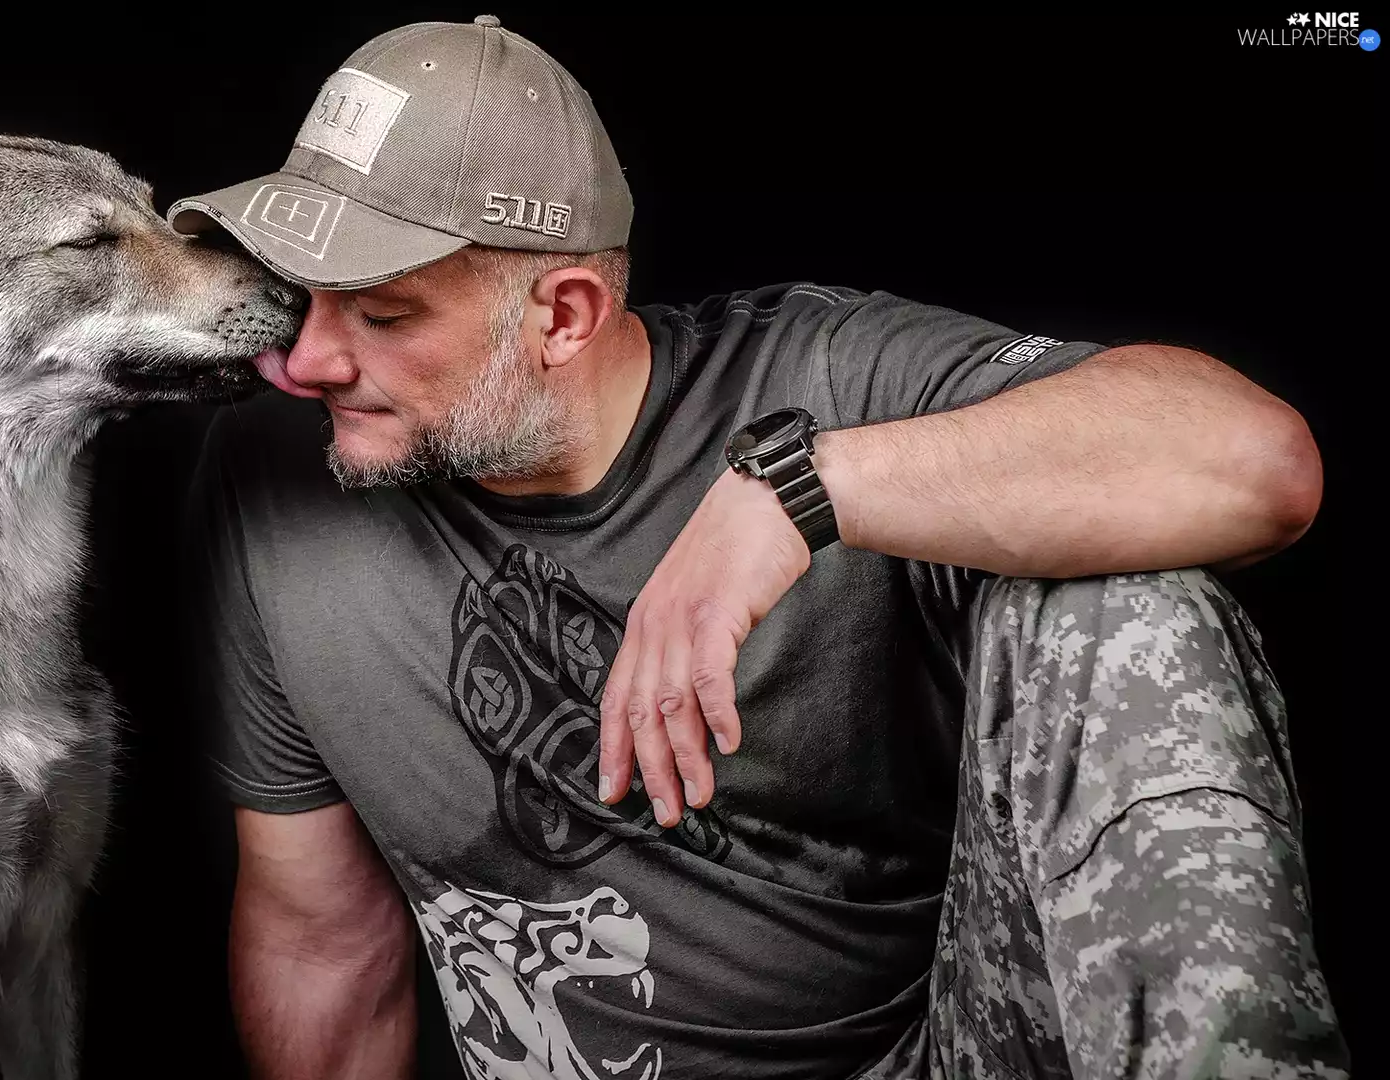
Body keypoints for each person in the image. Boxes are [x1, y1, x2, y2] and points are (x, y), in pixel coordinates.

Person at [167, 15, 1349, 1079]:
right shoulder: (275, 481)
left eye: (382, 315)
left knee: (1120, 594)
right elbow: (320, 939)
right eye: (305, 295)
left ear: (564, 316)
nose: (306, 361)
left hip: (937, 1056)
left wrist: (796, 494)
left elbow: (1255, 464)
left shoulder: (827, 375)